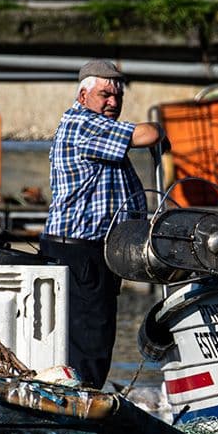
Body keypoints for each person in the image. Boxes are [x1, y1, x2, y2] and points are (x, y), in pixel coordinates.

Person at [42, 59, 165, 387]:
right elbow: (147, 133)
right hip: (80, 251)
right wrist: (161, 130)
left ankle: (83, 392)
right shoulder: (86, 125)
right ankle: (82, 399)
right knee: (90, 336)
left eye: (117, 96)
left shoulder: (97, 126)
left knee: (94, 333)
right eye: (105, 95)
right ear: (83, 97)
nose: (113, 102)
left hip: (95, 251)